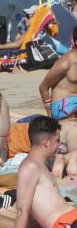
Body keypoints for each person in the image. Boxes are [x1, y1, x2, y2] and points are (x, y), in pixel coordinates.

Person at [12, 116, 77, 228]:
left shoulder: (40, 166)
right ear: (46, 142)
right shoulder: (30, 166)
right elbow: (22, 209)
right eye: (57, 141)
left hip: (70, 220)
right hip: (66, 225)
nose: (59, 145)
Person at [38, 27, 77, 179]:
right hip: (63, 110)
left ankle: (65, 157)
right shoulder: (66, 62)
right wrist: (50, 117)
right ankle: (65, 158)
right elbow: (43, 87)